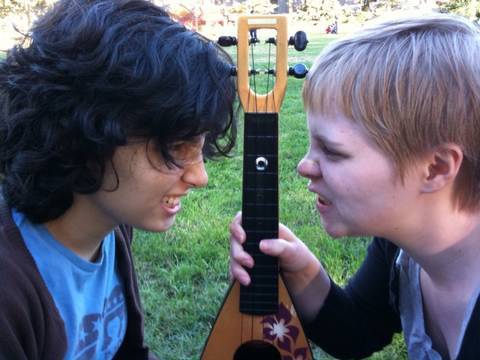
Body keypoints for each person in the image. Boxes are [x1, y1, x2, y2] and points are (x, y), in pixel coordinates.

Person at [230, 14, 480, 360]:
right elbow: (358, 331)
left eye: (332, 151)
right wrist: (303, 272)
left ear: (435, 168)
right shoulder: (400, 252)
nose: (304, 165)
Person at [0, 0, 236, 359]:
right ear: (86, 131)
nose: (200, 176)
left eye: (199, 147)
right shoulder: (9, 291)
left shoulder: (112, 225)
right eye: (174, 146)